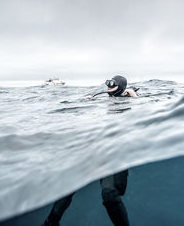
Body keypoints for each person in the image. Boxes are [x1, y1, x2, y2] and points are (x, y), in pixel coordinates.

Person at [42, 75, 137, 226]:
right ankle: (50, 223)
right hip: (95, 149)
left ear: (120, 86)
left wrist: (134, 96)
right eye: (107, 82)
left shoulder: (131, 99)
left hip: (115, 152)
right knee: (68, 187)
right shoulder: (100, 99)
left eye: (112, 83)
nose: (108, 85)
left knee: (110, 194)